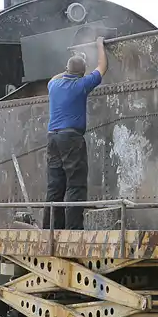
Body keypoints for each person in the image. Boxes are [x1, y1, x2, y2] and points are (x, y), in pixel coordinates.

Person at [43, 37, 108, 231]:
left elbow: (55, 77)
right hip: (71, 138)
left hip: (52, 138)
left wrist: (70, 65)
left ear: (66, 70)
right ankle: (72, 230)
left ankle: (51, 229)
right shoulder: (81, 85)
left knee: (55, 186)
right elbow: (102, 67)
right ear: (82, 73)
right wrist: (99, 44)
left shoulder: (53, 86)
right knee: (75, 184)